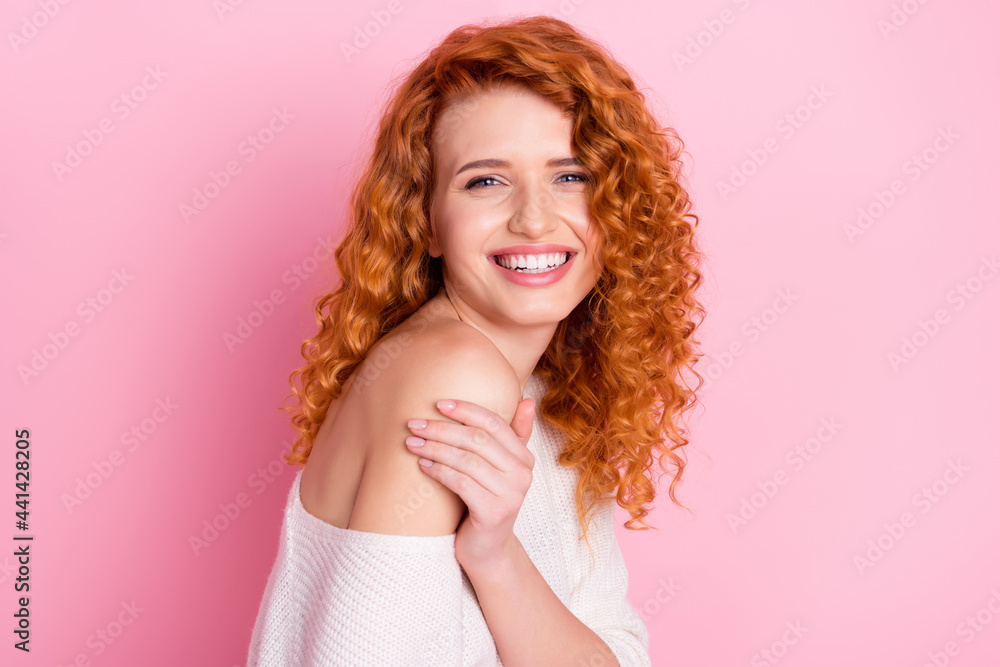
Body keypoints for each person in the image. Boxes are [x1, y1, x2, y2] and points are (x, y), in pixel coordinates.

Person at [247, 14, 704, 667]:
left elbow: (616, 653)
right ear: (426, 221)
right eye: (486, 180)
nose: (534, 217)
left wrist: (496, 553)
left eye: (570, 175)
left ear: (618, 209)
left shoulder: (554, 397)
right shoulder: (453, 375)